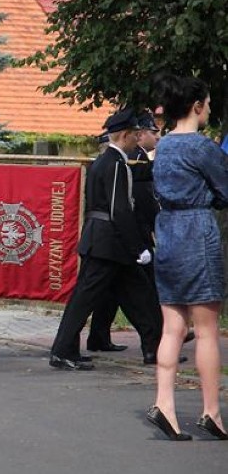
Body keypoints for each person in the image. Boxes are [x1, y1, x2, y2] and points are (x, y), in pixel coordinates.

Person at [146, 74, 228, 441]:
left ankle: (164, 404)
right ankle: (211, 412)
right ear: (196, 106)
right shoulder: (201, 147)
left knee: (172, 326)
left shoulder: (163, 146)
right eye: (208, 103)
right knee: (208, 330)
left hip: (167, 232)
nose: (209, 109)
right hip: (197, 231)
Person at [49, 108, 161, 370]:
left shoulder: (107, 161)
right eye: (134, 134)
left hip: (109, 243)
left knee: (141, 296)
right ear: (124, 135)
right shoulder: (115, 164)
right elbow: (119, 209)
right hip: (107, 243)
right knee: (84, 299)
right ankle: (63, 351)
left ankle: (154, 347)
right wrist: (137, 247)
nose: (137, 138)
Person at [86, 112, 166, 363]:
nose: (156, 137)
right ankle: (155, 343)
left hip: (118, 238)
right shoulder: (123, 161)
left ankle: (149, 342)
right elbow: (130, 204)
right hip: (126, 236)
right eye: (153, 132)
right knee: (141, 293)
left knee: (116, 292)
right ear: (133, 134)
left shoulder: (123, 159)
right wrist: (138, 242)